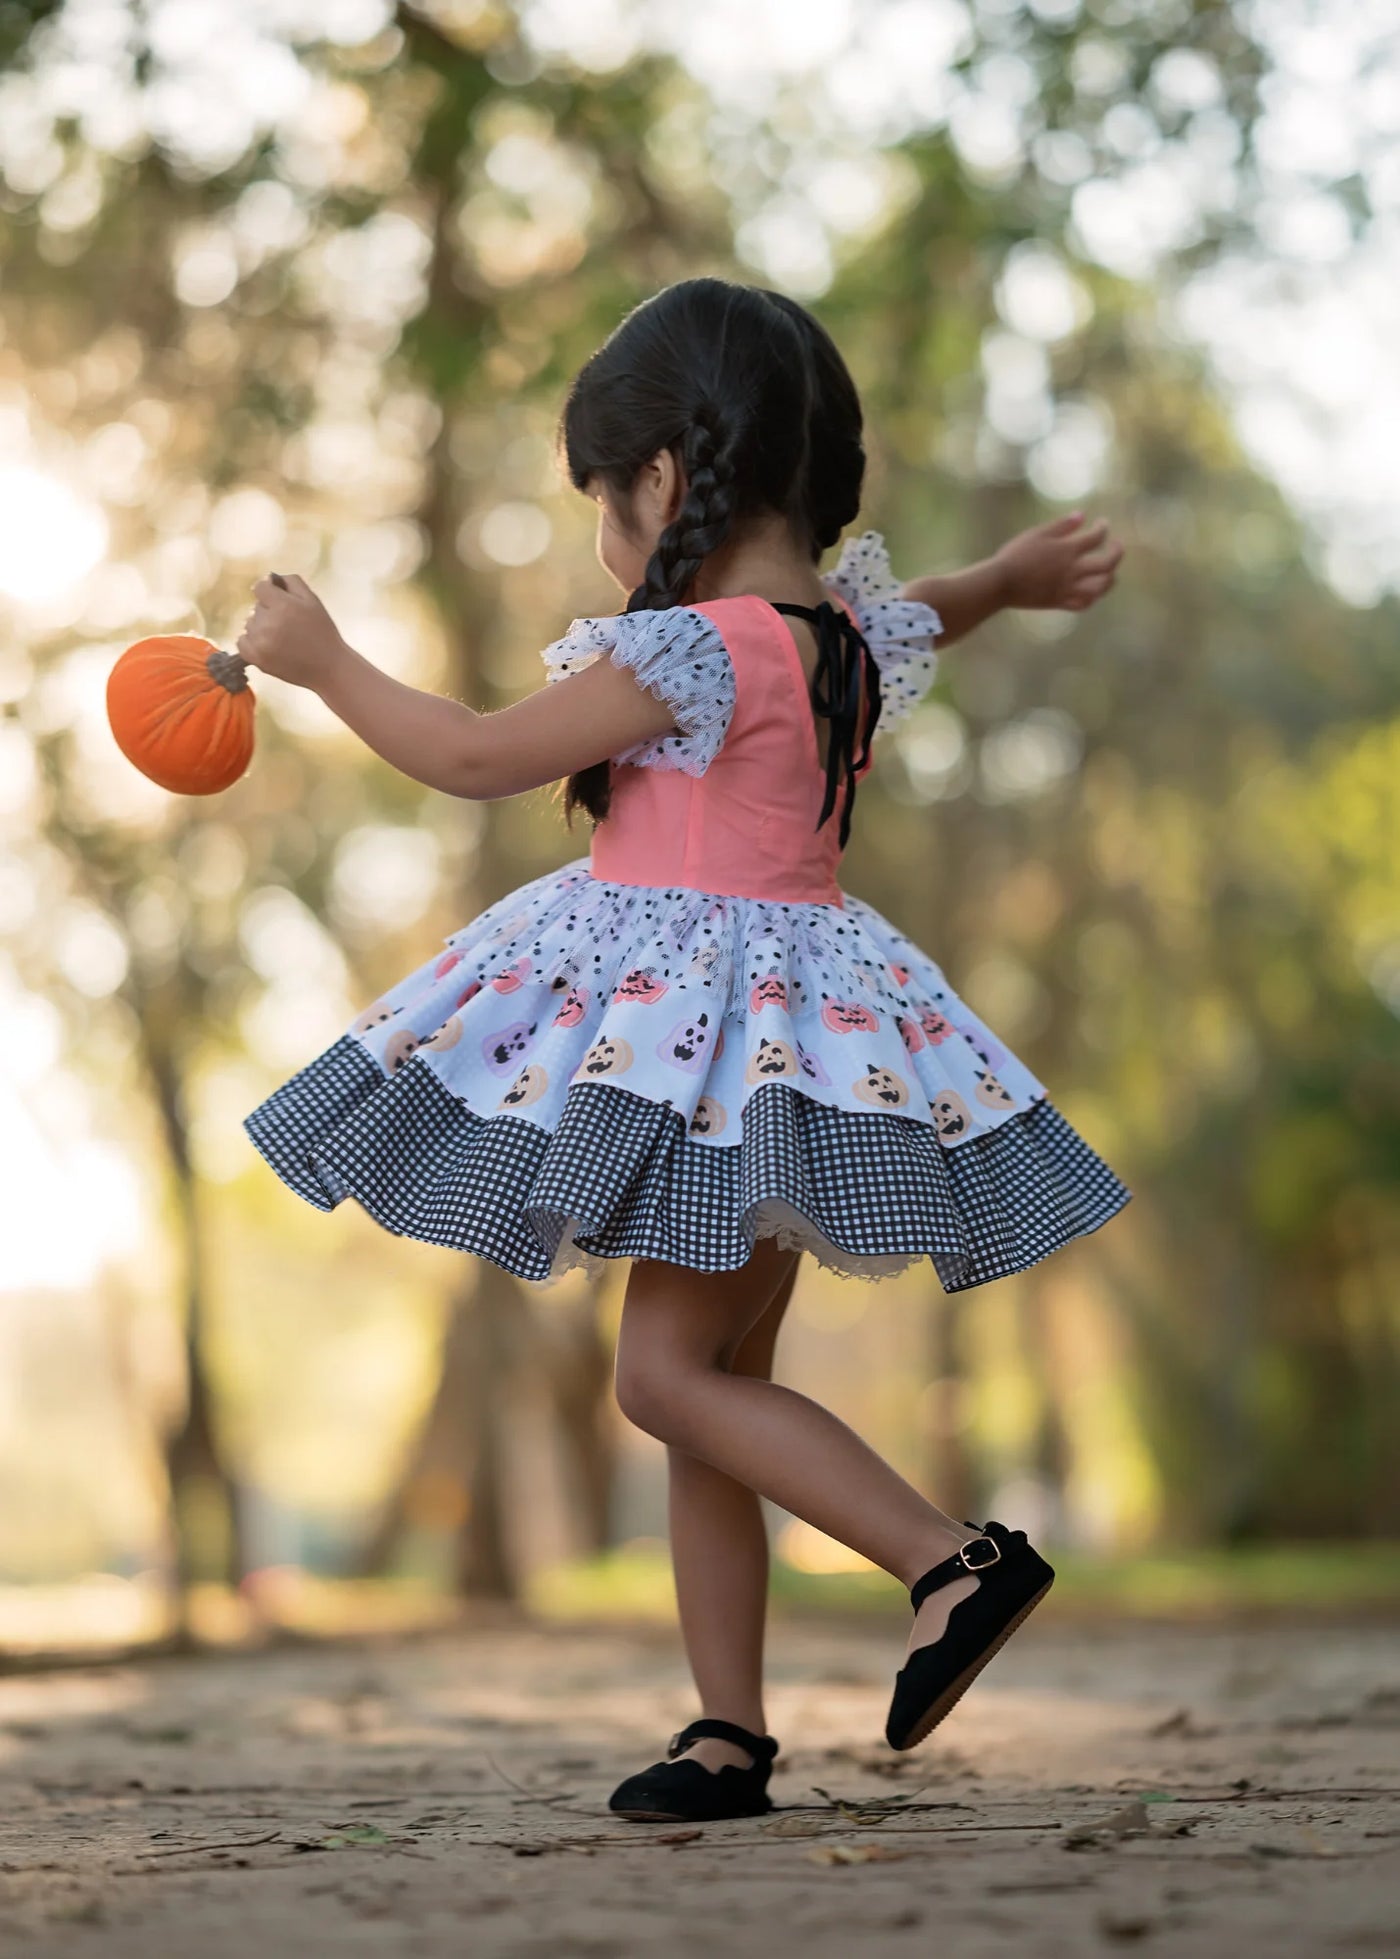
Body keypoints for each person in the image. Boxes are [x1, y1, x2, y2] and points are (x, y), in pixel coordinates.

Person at [239, 277, 1129, 1823]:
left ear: (664, 477)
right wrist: (1016, 573)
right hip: (803, 1045)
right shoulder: (843, 636)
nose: (603, 532)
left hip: (706, 1053)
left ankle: (951, 1561)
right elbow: (943, 608)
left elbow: (470, 755)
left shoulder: (702, 648)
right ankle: (730, 1731)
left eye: (599, 495)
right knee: (721, 1382)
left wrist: (325, 664)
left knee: (662, 1379)